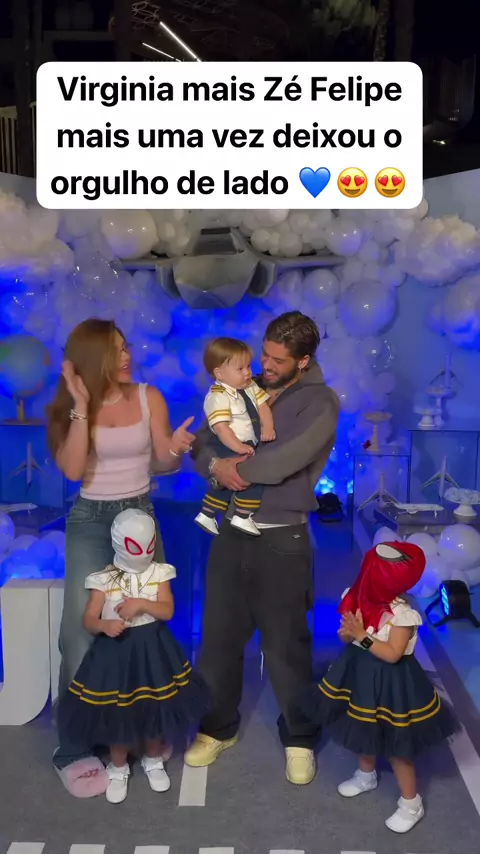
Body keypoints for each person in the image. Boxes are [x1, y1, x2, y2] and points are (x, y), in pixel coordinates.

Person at [184, 311, 340, 785]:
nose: (265, 365)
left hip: (282, 536)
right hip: (231, 532)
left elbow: (284, 461)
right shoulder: (239, 386)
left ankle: (300, 736)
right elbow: (202, 444)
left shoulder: (320, 402)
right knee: (217, 638)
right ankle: (216, 727)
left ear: (303, 361)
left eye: (277, 360)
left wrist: (233, 470)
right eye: (265, 355)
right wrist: (215, 467)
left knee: (286, 643)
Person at [47, 318, 195, 798]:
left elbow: (162, 461)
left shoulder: (149, 396)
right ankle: (73, 748)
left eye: (127, 346)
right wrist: (81, 406)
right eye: (116, 350)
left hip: (139, 515)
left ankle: (141, 729)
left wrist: (175, 451)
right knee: (81, 631)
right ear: (94, 358)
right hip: (91, 520)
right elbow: (74, 471)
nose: (127, 355)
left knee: (146, 628)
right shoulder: (71, 406)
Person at [296, 542, 459, 833]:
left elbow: (393, 654)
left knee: (397, 747)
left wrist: (361, 635)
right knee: (362, 727)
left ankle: (411, 803)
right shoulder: (357, 597)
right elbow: (346, 637)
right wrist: (349, 633)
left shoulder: (402, 615)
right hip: (360, 675)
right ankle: (366, 774)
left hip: (393, 684)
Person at [57, 509, 209, 804]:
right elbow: (89, 619)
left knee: (154, 707)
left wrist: (141, 604)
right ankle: (118, 767)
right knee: (119, 713)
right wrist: (105, 625)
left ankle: (153, 759)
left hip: (153, 650)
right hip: (116, 653)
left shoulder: (158, 573)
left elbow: (167, 610)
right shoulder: (104, 579)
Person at [195, 336, 276, 537]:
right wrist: (238, 447)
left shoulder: (249, 387)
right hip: (228, 442)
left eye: (248, 366)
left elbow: (263, 407)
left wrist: (268, 428)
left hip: (247, 441)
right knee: (251, 475)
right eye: (240, 369)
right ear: (219, 373)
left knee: (228, 481)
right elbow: (222, 428)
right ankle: (242, 514)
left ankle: (207, 513)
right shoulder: (217, 396)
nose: (248, 372)